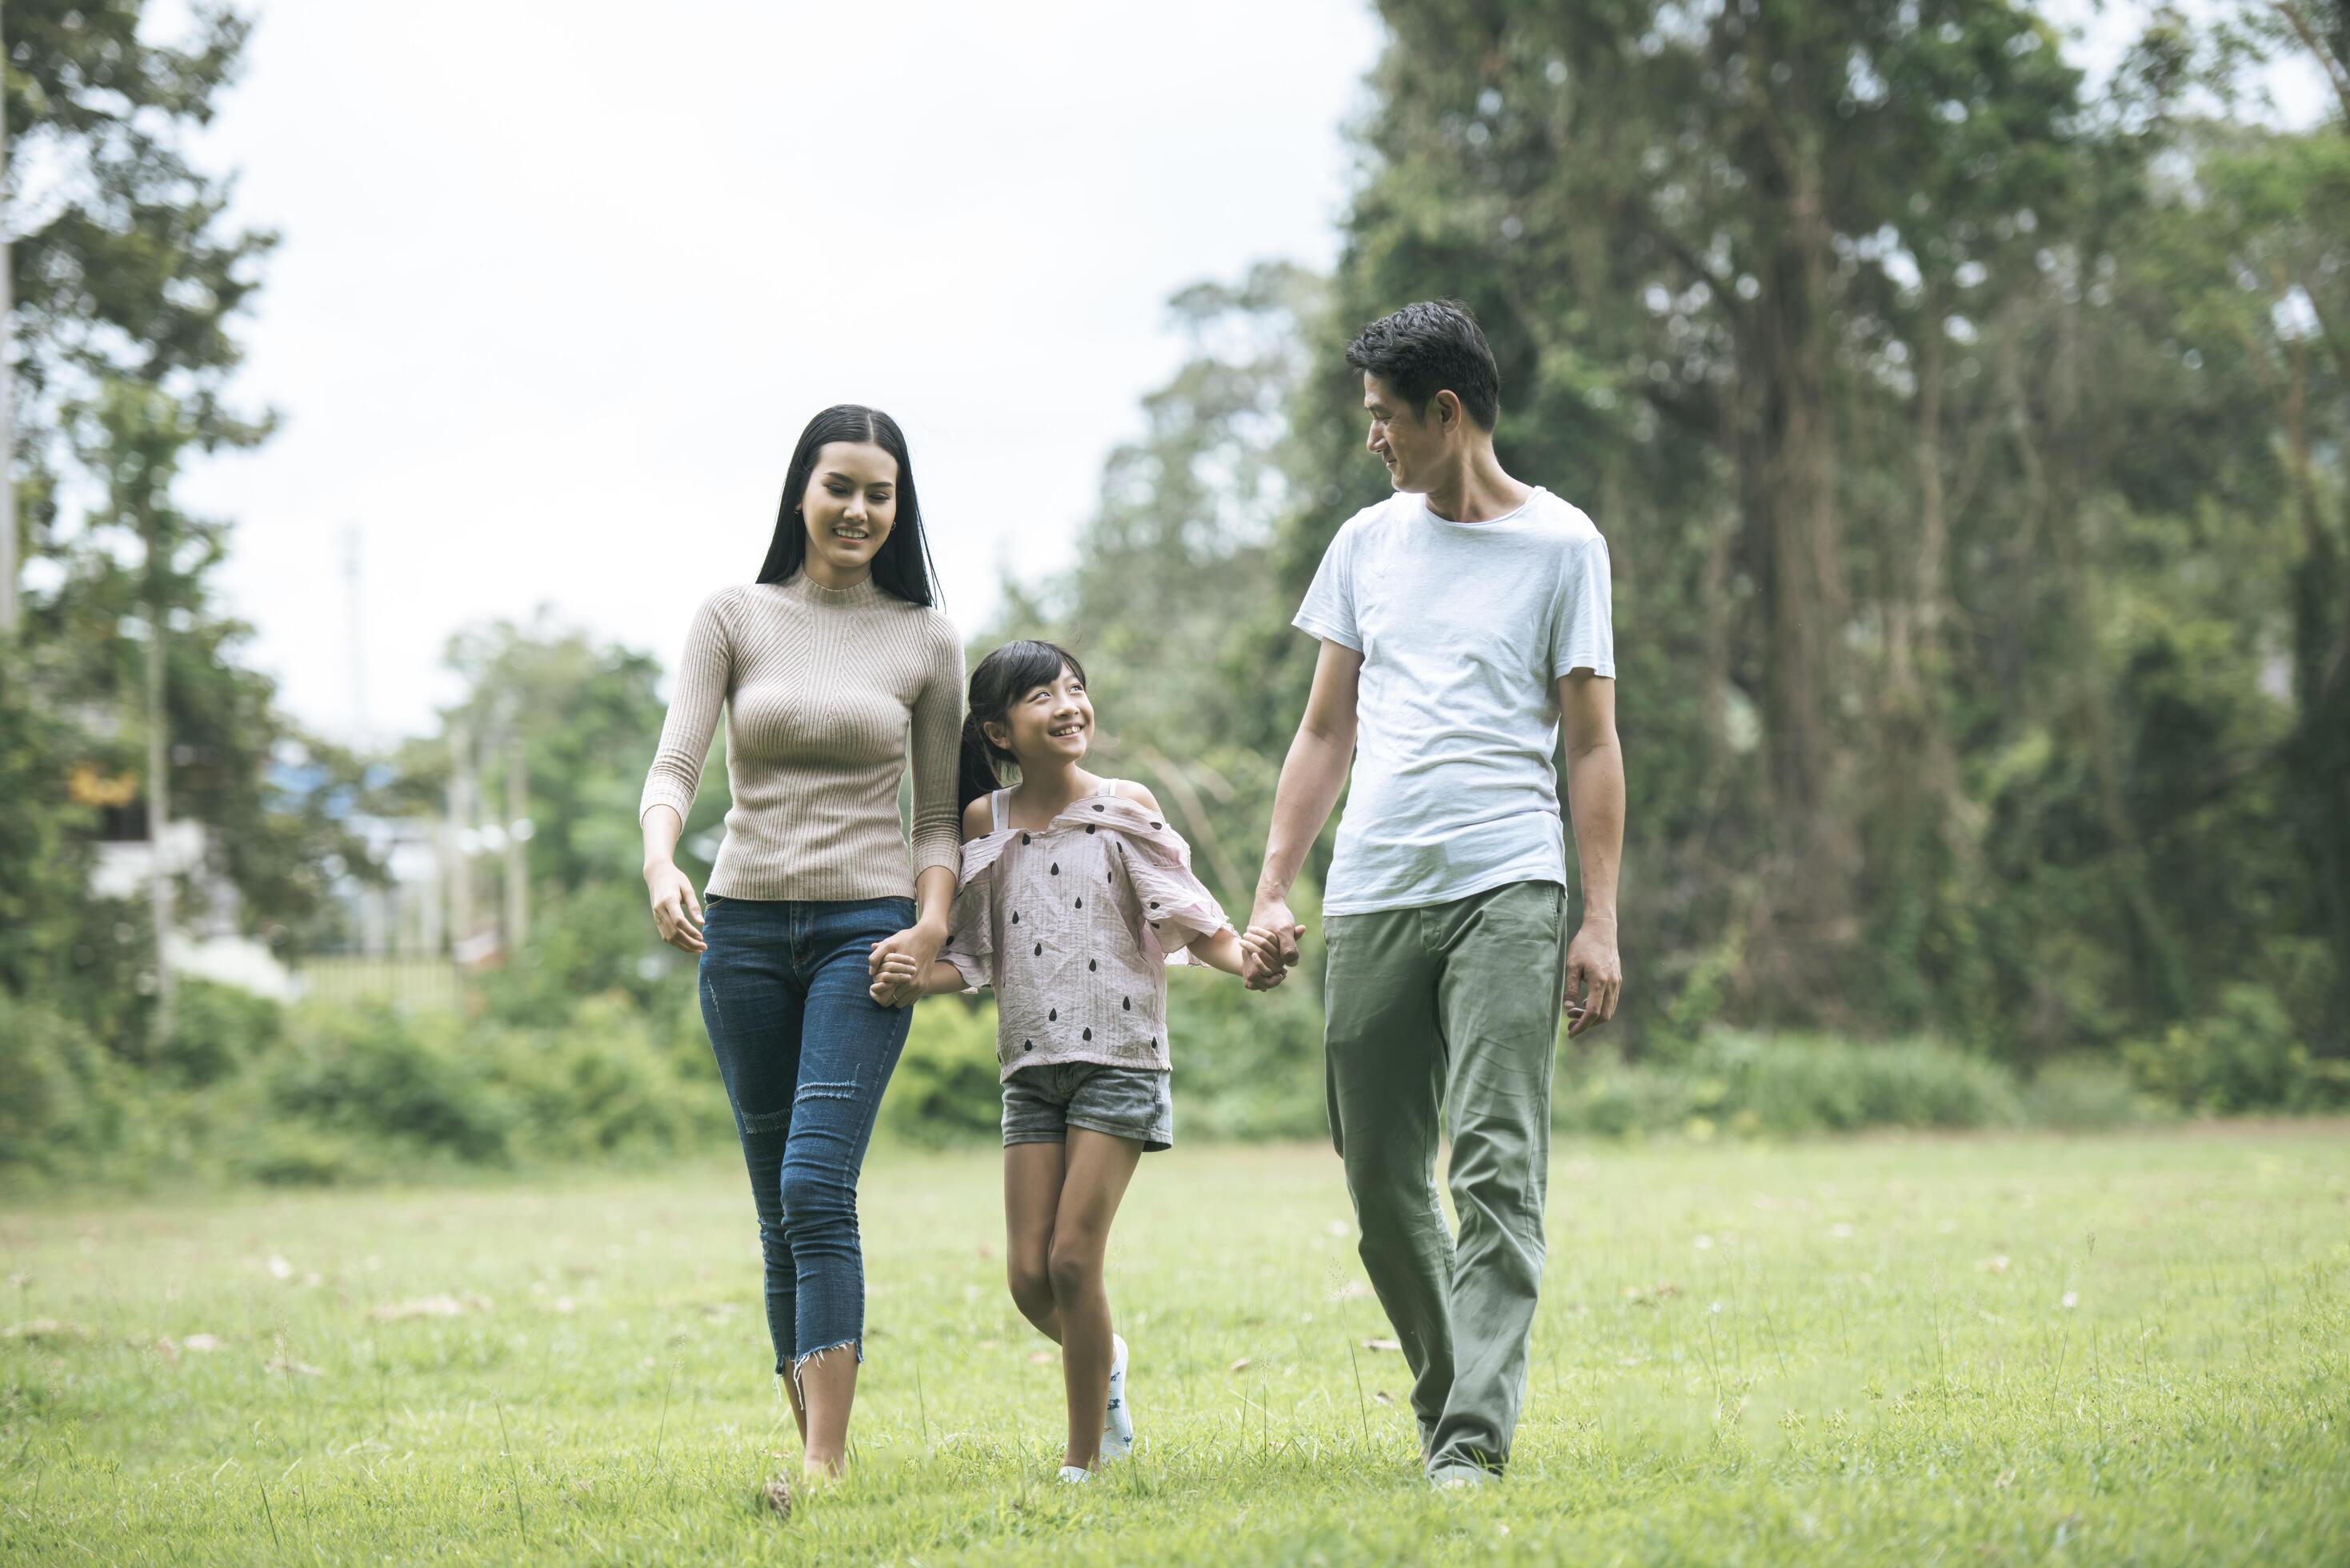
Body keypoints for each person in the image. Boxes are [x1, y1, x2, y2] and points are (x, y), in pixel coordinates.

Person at [1243, 301, 1626, 1489]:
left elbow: (1593, 747)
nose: (1374, 441)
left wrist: (1596, 917)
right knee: (1377, 1177)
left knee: (1495, 1162)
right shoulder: (1367, 545)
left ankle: (1468, 1441)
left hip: (1507, 880)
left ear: (1443, 413)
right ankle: (1448, 1382)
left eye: (1383, 418)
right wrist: (1271, 887)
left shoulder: (1565, 546)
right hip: (1373, 890)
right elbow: (1322, 730)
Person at [638, 404, 963, 1501]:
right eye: (840, 487)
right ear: (800, 492)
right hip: (740, 931)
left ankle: (819, 1469)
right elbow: (678, 757)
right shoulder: (736, 615)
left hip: (863, 936)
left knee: (818, 1184)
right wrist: (659, 860)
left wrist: (929, 925)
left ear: (898, 506)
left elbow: (938, 818)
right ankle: (810, 1442)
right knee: (775, 1197)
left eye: (881, 492)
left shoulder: (924, 636)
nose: (859, 510)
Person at [873, 639, 1289, 1483]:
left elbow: (1192, 915)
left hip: (1119, 1059)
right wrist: (914, 979)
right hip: (1029, 1067)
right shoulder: (985, 825)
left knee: (1073, 1260)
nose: (1068, 705)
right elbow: (977, 954)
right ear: (998, 728)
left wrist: (1251, 960)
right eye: (1041, 696)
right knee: (1030, 1278)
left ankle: (1084, 1459)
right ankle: (1106, 1358)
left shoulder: (1123, 804)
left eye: (1074, 688)